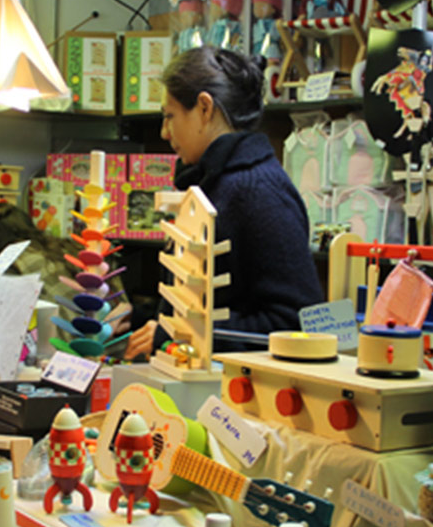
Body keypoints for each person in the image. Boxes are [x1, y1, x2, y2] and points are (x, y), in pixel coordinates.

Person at [125, 47, 324, 360]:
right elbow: (210, 304)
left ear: (205, 108)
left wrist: (180, 335)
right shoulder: (213, 183)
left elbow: (294, 324)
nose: (164, 132)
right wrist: (140, 318)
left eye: (169, 116)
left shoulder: (259, 191)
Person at [0, 201, 130, 348]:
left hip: (70, 355)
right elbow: (123, 305)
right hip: (119, 349)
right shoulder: (70, 247)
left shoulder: (12, 267)